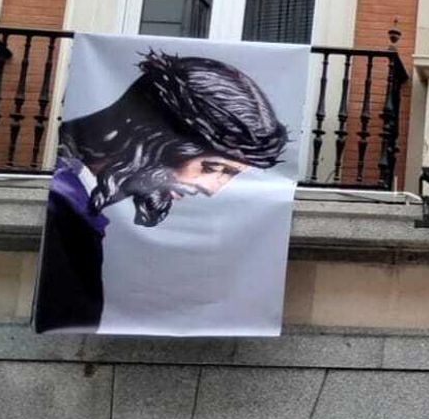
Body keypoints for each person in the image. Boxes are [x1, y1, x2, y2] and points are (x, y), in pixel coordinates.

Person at [34, 50, 289, 332]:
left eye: (230, 175)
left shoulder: (76, 202)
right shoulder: (63, 206)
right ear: (154, 135)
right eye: (211, 167)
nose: (211, 189)